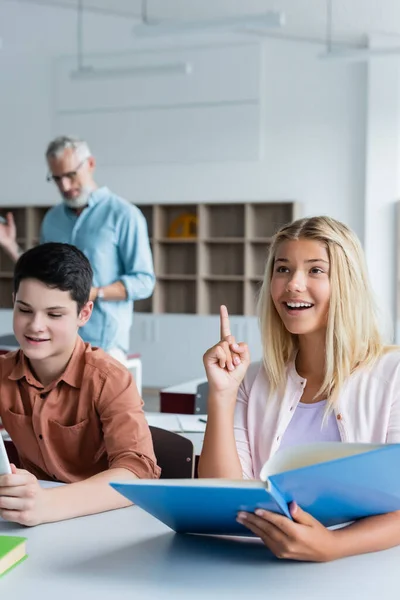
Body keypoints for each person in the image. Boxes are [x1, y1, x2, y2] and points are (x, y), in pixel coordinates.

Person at [199, 215, 400, 562]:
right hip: (257, 566)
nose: (293, 284)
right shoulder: (254, 379)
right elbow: (222, 498)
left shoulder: (393, 374)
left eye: (315, 270)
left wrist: (333, 547)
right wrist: (221, 395)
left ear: (346, 283)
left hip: (363, 570)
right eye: (283, 269)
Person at [0, 242, 160, 526]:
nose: (35, 325)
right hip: (29, 522)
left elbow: (138, 471)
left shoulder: (110, 379)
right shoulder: (3, 372)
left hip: (102, 522)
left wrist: (49, 503)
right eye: (24, 310)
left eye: (54, 314)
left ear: (84, 314)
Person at [0, 135, 155, 360]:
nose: (64, 185)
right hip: (54, 340)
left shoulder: (124, 215)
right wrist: (11, 245)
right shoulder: (52, 219)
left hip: (104, 343)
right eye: (56, 178)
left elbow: (144, 281)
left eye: (70, 175)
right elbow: (43, 274)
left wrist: (94, 293)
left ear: (90, 164)